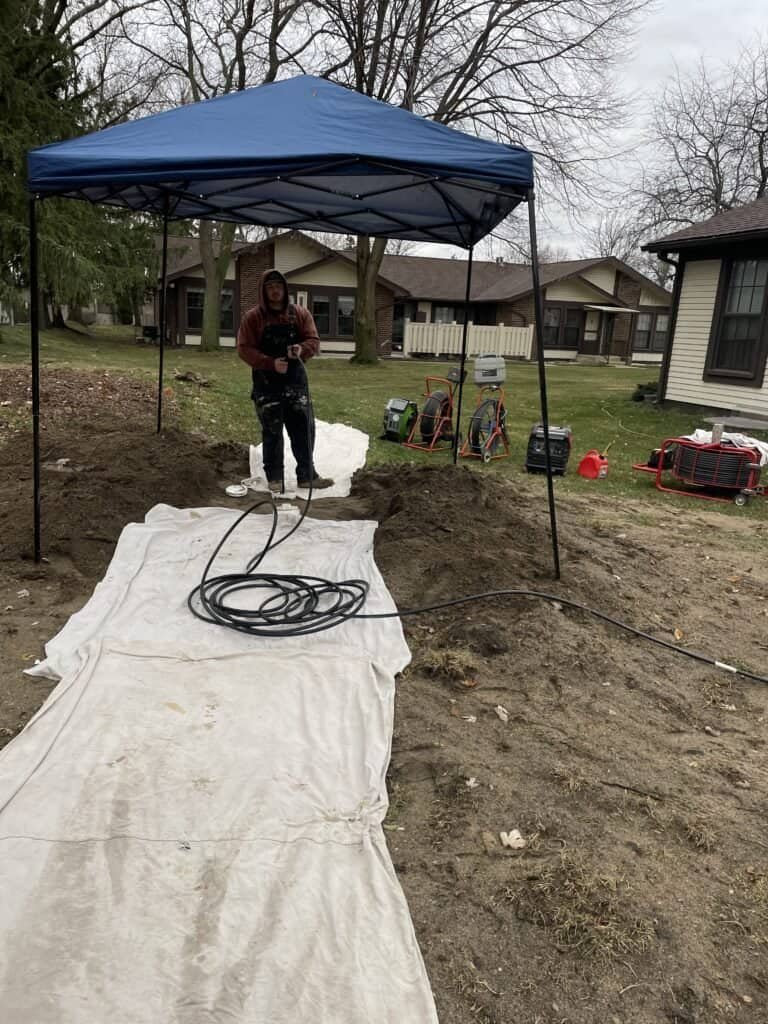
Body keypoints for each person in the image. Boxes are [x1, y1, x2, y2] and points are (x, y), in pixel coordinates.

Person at [237, 268, 334, 493]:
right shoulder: (253, 318)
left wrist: (301, 349)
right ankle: (275, 478)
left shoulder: (299, 314)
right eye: (270, 287)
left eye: (278, 286)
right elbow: (244, 349)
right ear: (263, 291)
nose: (275, 291)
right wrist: (270, 363)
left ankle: (307, 476)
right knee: (272, 432)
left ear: (285, 289)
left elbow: (313, 339)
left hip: (296, 383)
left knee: (303, 429)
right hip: (266, 385)